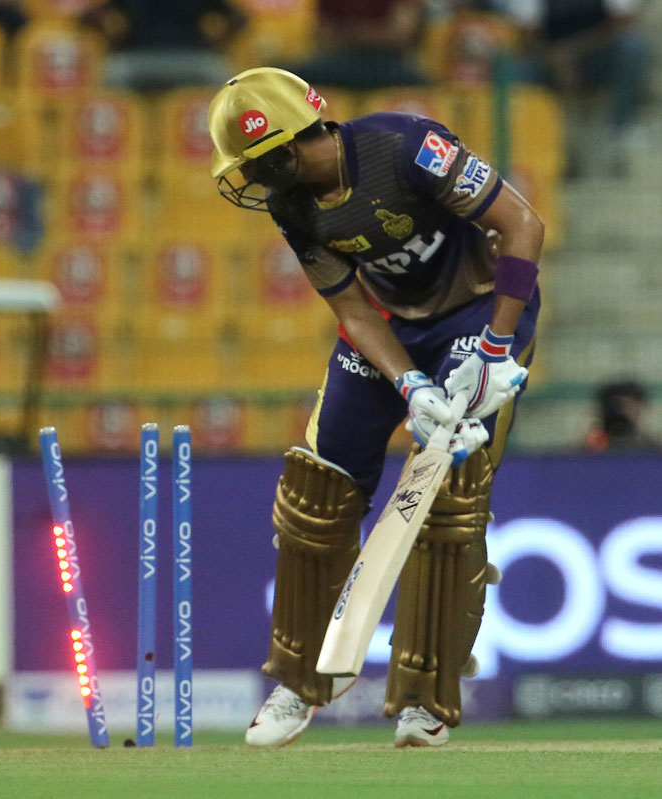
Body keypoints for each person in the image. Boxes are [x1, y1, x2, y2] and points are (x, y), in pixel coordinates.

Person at [207, 68, 544, 747]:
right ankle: (301, 682)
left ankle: (427, 697)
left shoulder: (406, 147)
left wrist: (498, 347)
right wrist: (411, 385)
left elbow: (522, 225)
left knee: (445, 496)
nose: (251, 178)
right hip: (392, 328)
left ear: (286, 146)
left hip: (479, 314)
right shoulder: (294, 204)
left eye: (254, 162)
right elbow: (352, 308)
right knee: (317, 492)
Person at [491, 0, 650, 174]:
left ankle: (621, 129)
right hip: (549, 59)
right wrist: (555, 59)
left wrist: (572, 52)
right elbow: (526, 35)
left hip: (597, 55)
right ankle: (529, 142)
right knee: (515, 72)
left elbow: (623, 22)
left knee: (633, 46)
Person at [79, 0, 247, 92]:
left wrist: (115, 42)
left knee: (114, 74)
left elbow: (239, 18)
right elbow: (88, 17)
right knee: (112, 74)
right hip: (163, 59)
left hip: (179, 58)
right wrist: (215, 44)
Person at [289, 0, 430, 89]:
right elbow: (323, 34)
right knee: (287, 76)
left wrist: (349, 32)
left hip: (388, 62)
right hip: (341, 60)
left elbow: (400, 36)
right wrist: (377, 32)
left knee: (427, 87)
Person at [584, 378, 660, 451]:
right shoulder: (589, 452)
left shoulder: (654, 451)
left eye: (627, 406)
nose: (619, 412)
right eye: (613, 406)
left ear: (640, 407)